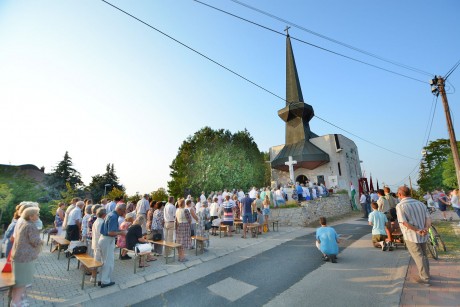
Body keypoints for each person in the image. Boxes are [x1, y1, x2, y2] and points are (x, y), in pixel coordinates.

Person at [396, 186, 431, 285]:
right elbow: (428, 218)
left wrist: (418, 230)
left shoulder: (400, 206)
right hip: (423, 233)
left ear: (400, 194)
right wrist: (425, 229)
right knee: (424, 255)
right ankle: (427, 274)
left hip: (411, 235)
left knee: (418, 256)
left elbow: (404, 222)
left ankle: (425, 278)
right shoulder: (420, 204)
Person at [10, 207, 43, 307]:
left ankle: (16, 300)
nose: (38, 216)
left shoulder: (22, 222)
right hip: (25, 257)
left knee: (19, 280)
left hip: (19, 255)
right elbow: (35, 241)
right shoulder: (30, 226)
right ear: (31, 216)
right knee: (22, 281)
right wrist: (42, 241)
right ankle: (16, 303)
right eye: (37, 214)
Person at [98, 203, 127, 288]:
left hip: (103, 239)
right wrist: (122, 232)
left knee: (104, 261)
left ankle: (101, 279)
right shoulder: (114, 217)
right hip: (107, 240)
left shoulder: (110, 214)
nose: (124, 213)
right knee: (108, 262)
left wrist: (119, 230)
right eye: (124, 211)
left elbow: (111, 229)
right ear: (120, 210)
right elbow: (111, 232)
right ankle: (105, 281)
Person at [90, 208, 106, 283]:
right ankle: (94, 277)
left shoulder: (97, 221)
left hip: (96, 243)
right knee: (97, 261)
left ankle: (95, 276)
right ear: (104, 215)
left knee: (97, 260)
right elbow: (101, 234)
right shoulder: (101, 222)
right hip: (99, 244)